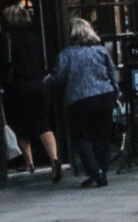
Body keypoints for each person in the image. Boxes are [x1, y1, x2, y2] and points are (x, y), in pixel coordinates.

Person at [48, 18, 119, 188]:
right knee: (101, 137)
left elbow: (58, 78)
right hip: (104, 96)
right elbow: (112, 73)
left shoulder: (67, 54)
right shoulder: (100, 51)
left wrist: (46, 81)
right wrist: (116, 93)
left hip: (79, 100)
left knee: (81, 138)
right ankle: (101, 171)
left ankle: (95, 172)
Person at [0, 3, 61, 182]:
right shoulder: (37, 37)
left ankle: (29, 162)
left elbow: (1, 64)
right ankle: (54, 159)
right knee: (43, 125)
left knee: (20, 125)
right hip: (40, 85)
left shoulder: (5, 38)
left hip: (17, 87)